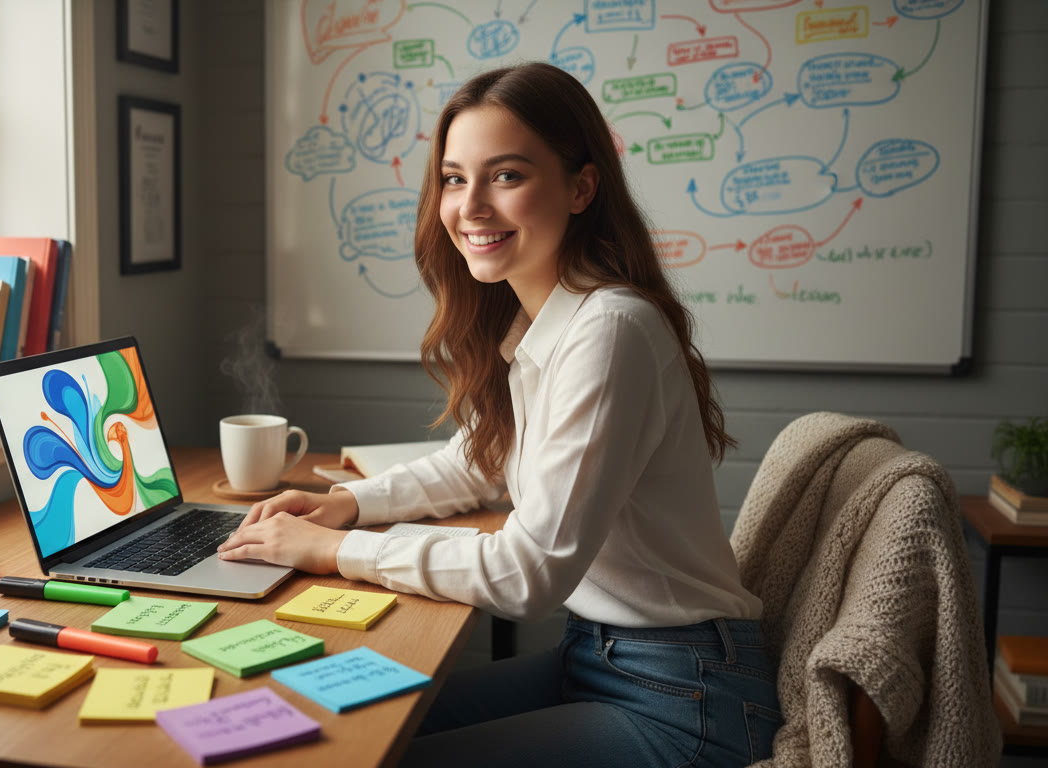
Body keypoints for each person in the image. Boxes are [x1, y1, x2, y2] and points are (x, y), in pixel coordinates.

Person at [218, 62, 779, 767]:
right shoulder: (548, 319)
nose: (470, 206)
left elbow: (527, 575)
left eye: (506, 176)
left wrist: (332, 552)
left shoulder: (610, 330)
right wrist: (346, 505)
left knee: (373, 755)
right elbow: (481, 460)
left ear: (581, 187)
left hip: (686, 701)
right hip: (603, 657)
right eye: (455, 178)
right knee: (335, 729)